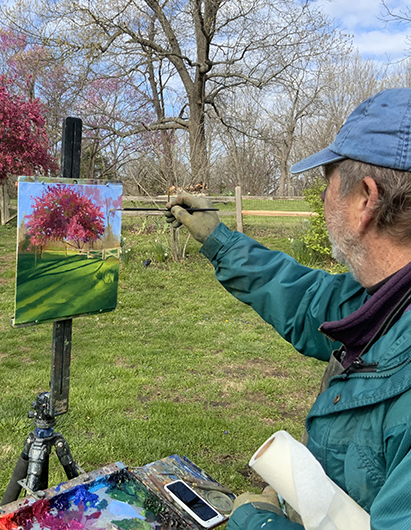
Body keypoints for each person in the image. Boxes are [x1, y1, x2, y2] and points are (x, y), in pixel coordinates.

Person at [165, 88, 411, 529]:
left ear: (365, 199)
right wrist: (219, 239)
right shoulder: (388, 296)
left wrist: (256, 523)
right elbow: (306, 299)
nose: (323, 198)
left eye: (328, 181)